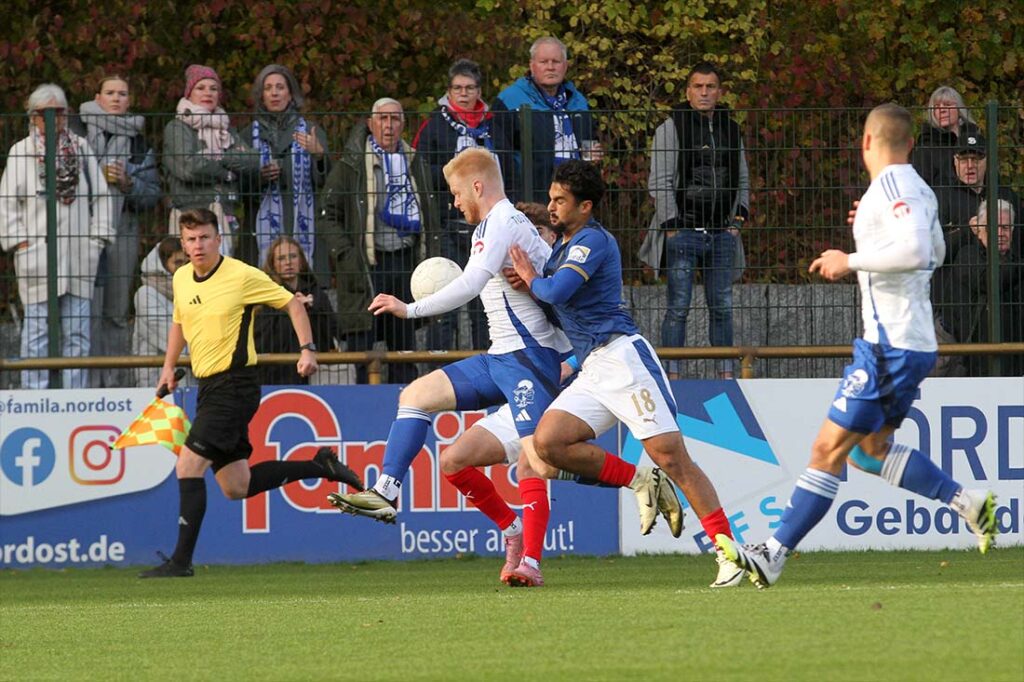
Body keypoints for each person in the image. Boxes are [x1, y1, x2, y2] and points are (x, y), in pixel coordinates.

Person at [327, 150, 678, 587]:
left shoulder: (505, 222)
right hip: (501, 358)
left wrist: (409, 308)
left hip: (530, 361)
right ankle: (389, 494)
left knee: (539, 464)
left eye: (456, 193)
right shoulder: (490, 228)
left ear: (477, 186)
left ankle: (633, 486)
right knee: (430, 422)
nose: (453, 202)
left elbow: (475, 284)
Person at [716, 104, 998, 589]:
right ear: (909, 143)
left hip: (890, 343)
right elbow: (937, 251)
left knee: (826, 448)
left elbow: (915, 252)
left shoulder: (893, 186)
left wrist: (850, 259)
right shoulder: (917, 191)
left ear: (866, 143)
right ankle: (966, 502)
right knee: (868, 453)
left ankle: (773, 553)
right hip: (908, 342)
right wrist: (870, 239)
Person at [508, 160, 742, 588]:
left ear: (586, 207)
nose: (552, 206)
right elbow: (557, 303)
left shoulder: (592, 242)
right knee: (548, 443)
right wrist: (534, 285)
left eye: (561, 200)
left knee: (673, 457)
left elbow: (556, 291)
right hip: (593, 367)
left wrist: (531, 278)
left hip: (623, 359)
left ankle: (729, 553)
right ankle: (642, 480)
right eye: (551, 197)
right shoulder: (563, 247)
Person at [139, 208, 363, 578]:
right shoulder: (181, 278)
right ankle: (320, 464)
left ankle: (180, 562)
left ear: (218, 238)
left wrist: (307, 349)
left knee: (188, 465)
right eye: (191, 239)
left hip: (236, 385)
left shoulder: (241, 276)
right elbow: (180, 321)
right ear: (183, 242)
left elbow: (291, 302)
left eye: (205, 237)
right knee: (236, 486)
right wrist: (168, 367)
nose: (198, 245)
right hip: (208, 387)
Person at [639, 61, 750, 379]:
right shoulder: (671, 127)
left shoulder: (731, 127)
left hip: (722, 232)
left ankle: (726, 374)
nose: (704, 92)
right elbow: (658, 181)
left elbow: (742, 177)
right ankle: (672, 374)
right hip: (683, 230)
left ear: (719, 91)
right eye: (698, 86)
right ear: (688, 92)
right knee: (678, 307)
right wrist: (671, 226)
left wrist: (737, 220)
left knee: (723, 307)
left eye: (710, 86)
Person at [0, 83, 114, 389]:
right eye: (45, 114)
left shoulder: (80, 147)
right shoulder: (21, 151)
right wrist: (20, 243)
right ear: (33, 117)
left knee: (77, 331)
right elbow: (6, 202)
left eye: (59, 113)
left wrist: (97, 239)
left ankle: (74, 395)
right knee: (37, 330)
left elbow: (102, 197)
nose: (53, 119)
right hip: (36, 256)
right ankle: (33, 395)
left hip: (79, 255)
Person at [319, 98, 439, 384]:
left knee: (403, 349)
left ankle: (406, 408)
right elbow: (327, 216)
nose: (388, 126)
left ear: (403, 124)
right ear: (371, 124)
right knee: (362, 349)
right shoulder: (351, 165)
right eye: (382, 119)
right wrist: (346, 254)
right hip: (365, 266)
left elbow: (431, 214)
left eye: (395, 119)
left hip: (405, 263)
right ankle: (362, 416)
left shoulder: (415, 162)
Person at [79, 74, 162, 388]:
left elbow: (152, 195)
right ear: (97, 97)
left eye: (122, 94)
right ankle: (84, 383)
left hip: (123, 230)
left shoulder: (139, 142)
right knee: (85, 311)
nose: (116, 99)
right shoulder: (77, 132)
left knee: (115, 311)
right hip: (82, 232)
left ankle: (112, 385)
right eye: (110, 93)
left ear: (129, 100)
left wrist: (129, 183)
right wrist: (96, 177)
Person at [414, 58, 494, 351]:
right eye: (458, 88)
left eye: (470, 87)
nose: (463, 93)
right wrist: (458, 176)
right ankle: (440, 366)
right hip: (446, 224)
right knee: (444, 300)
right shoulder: (434, 125)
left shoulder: (494, 122)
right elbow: (421, 172)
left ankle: (486, 362)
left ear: (479, 90)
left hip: (485, 226)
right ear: (449, 91)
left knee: (483, 303)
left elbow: (508, 165)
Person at [239, 64, 331, 271]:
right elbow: (239, 185)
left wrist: (319, 155)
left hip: (304, 223)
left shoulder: (310, 131)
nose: (274, 93)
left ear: (290, 94)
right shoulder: (247, 135)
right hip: (259, 225)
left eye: (280, 87)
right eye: (268, 87)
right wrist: (260, 176)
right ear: (261, 95)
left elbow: (329, 184)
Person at [162, 64, 259, 258]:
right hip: (189, 215)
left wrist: (217, 157)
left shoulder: (226, 128)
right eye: (201, 88)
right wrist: (228, 172)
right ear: (189, 93)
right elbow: (189, 169)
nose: (208, 93)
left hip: (224, 213)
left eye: (213, 88)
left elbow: (252, 161)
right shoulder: (177, 127)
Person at [490, 36, 600, 203]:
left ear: (565, 66)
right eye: (544, 62)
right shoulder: (509, 100)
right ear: (532, 65)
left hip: (576, 195)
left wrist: (593, 156)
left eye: (556, 61)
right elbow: (501, 155)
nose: (550, 67)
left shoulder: (579, 101)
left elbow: (589, 144)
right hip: (530, 197)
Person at [938, 200, 1023, 376]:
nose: (1000, 233)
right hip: (971, 361)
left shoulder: (1016, 262)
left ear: (1013, 230)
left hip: (1014, 360)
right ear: (979, 231)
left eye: (1006, 228)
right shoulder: (967, 256)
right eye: (994, 227)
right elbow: (992, 281)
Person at [255, 235, 337, 385]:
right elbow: (262, 340)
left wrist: (312, 309)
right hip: (273, 374)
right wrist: (290, 310)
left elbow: (332, 333)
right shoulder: (265, 296)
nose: (288, 262)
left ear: (301, 261)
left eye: (293, 256)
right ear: (273, 264)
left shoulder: (317, 294)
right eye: (281, 258)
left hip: (313, 374)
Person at [132, 237, 189, 388]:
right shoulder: (146, 294)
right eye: (177, 263)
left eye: (185, 263)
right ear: (163, 264)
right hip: (156, 378)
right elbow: (166, 334)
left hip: (187, 375)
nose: (182, 268)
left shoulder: (190, 289)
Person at [911, 86, 979, 192]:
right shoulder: (926, 147)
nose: (942, 110)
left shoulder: (976, 140)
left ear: (959, 109)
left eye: (947, 105)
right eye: (937, 107)